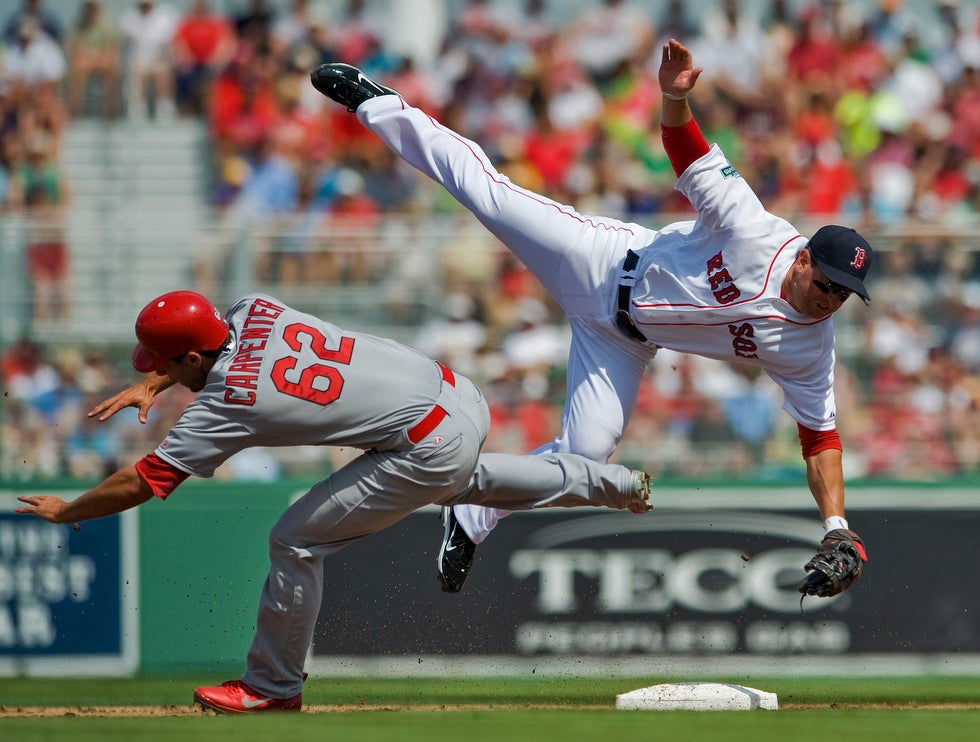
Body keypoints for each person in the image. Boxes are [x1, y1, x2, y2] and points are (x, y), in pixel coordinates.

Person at [310, 37, 874, 596]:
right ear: (803, 259)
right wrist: (673, 98)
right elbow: (688, 152)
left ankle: (470, 517)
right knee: (489, 194)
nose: (831, 300)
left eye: (844, 295)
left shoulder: (810, 346)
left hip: (624, 342)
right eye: (827, 283)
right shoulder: (753, 229)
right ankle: (376, 102)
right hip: (601, 262)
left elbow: (820, 439)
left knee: (586, 456)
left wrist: (836, 526)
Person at [14, 289, 651, 713]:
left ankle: (271, 687)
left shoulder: (226, 399)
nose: (162, 374)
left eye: (164, 366)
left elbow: (146, 480)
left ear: (188, 357)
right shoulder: (252, 306)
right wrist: (156, 379)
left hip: (423, 441)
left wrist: (69, 511)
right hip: (457, 395)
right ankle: (615, 485)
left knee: (294, 540)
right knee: (464, 478)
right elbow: (206, 346)